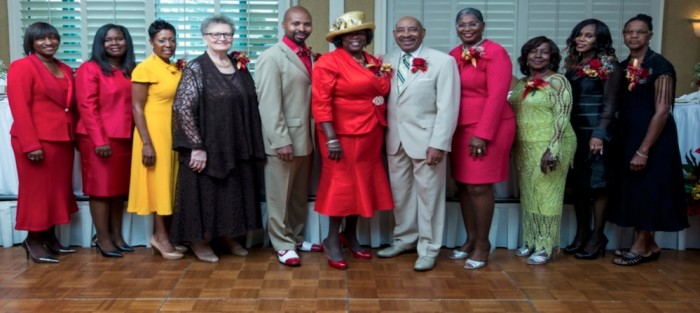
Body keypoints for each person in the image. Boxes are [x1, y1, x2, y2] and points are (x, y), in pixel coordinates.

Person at [171, 15, 265, 263]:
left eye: (227, 34)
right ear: (205, 38)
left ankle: (226, 235)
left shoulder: (238, 66)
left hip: (234, 142)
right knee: (205, 194)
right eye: (216, 34)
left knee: (230, 192)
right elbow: (182, 108)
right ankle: (199, 242)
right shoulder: (196, 68)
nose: (222, 38)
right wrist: (196, 147)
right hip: (208, 144)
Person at [312, 11, 394, 270]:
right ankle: (331, 239)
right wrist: (331, 138)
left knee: (363, 184)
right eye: (348, 34)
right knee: (341, 186)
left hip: (371, 133)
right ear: (339, 39)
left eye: (359, 32)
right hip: (341, 135)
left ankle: (351, 234)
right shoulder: (329, 62)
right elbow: (320, 102)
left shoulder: (372, 61)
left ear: (367, 36)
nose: (354, 37)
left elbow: (381, 91)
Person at [377, 16, 459, 272]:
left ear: (423, 32)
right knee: (401, 196)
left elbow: (448, 106)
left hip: (427, 142)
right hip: (395, 139)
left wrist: (439, 143)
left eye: (412, 29)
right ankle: (405, 239)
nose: (406, 34)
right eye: (401, 30)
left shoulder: (443, 62)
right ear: (394, 33)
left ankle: (429, 247)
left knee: (429, 197)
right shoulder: (385, 61)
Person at [608, 14, 688, 266]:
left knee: (649, 189)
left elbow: (662, 110)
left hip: (654, 139)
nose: (633, 36)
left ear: (649, 36)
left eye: (640, 32)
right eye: (629, 31)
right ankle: (649, 245)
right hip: (629, 136)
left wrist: (644, 149)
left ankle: (641, 246)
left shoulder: (660, 66)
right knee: (635, 189)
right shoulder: (623, 66)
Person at [447, 7, 515, 270]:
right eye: (461, 25)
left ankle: (483, 245)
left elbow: (498, 96)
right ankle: (471, 238)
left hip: (489, 128)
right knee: (463, 185)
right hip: (460, 128)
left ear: (482, 25)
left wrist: (482, 134)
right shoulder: (454, 55)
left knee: (479, 186)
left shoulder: (496, 52)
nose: (467, 29)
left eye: (472, 23)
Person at [7, 22, 78, 263]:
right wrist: (30, 144)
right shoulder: (22, 67)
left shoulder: (65, 69)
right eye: (41, 39)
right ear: (31, 42)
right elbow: (20, 107)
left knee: (56, 192)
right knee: (36, 193)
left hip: (62, 140)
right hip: (35, 141)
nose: (49, 42)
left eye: (52, 38)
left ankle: (48, 237)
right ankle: (33, 240)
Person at [255, 6, 319, 267]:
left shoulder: (311, 56)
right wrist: (280, 139)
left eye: (306, 24)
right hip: (284, 139)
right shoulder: (272, 57)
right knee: (279, 195)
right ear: (283, 25)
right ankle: (281, 243)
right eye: (295, 24)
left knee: (297, 194)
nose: (301, 29)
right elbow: (268, 103)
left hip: (307, 137)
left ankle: (294, 237)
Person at [509, 36, 576, 265]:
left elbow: (562, 116)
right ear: (525, 56)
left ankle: (546, 246)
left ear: (552, 58)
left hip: (551, 145)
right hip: (525, 146)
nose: (538, 55)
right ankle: (531, 241)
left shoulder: (558, 81)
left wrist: (553, 150)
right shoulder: (521, 83)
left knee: (548, 196)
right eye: (533, 51)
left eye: (544, 52)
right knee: (529, 195)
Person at [562, 19, 624, 260]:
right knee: (579, 186)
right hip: (576, 132)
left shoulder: (609, 66)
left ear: (600, 40)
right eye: (579, 34)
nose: (581, 39)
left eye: (588, 36)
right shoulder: (575, 65)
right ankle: (582, 235)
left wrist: (599, 134)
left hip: (599, 133)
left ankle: (598, 237)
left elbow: (611, 104)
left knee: (598, 187)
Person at [126, 20, 185, 260]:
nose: (168, 44)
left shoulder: (172, 67)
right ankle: (159, 238)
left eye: (171, 39)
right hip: (153, 134)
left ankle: (167, 236)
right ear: (152, 42)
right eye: (162, 40)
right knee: (160, 186)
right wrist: (147, 143)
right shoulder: (145, 68)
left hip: (173, 133)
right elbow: (137, 107)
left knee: (170, 186)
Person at [75, 24, 135, 258]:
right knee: (101, 190)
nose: (114, 43)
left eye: (119, 39)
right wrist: (100, 140)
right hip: (98, 139)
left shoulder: (129, 70)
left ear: (126, 42)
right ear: (100, 44)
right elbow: (87, 107)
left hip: (124, 138)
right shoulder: (90, 69)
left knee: (118, 191)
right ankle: (102, 238)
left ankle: (117, 235)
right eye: (108, 40)